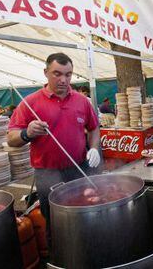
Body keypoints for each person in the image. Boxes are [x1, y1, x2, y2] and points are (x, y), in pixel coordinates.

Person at [7, 53, 101, 246]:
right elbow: (11, 139)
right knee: (54, 218)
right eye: (57, 74)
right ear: (45, 73)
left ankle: (86, 248)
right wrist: (27, 133)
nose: (63, 80)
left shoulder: (82, 101)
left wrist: (93, 148)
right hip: (47, 173)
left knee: (86, 210)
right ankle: (58, 254)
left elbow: (94, 128)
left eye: (68, 74)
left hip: (79, 168)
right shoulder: (30, 103)